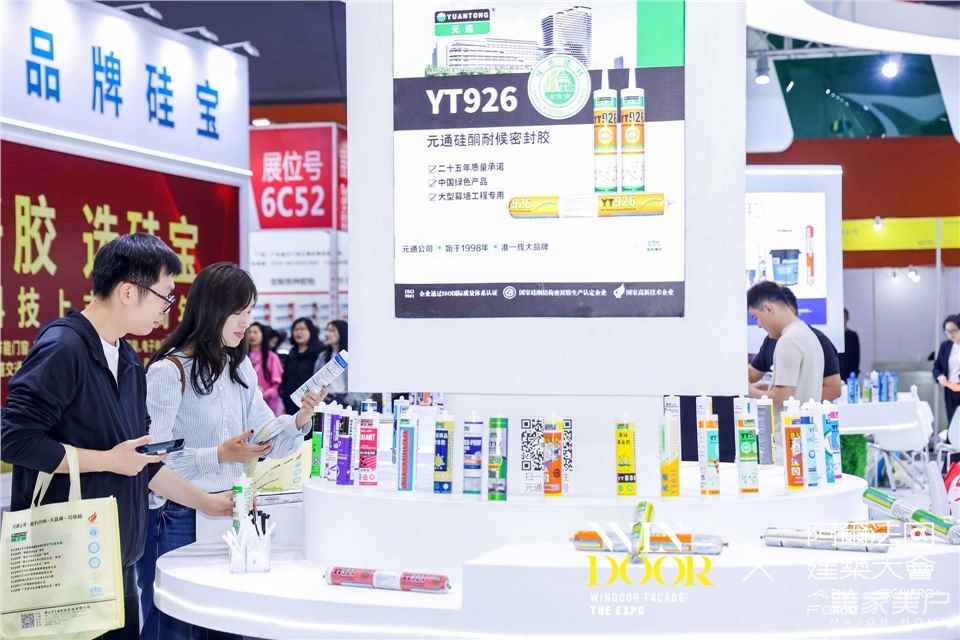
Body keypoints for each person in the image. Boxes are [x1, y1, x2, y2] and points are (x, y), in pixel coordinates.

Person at [1, 235, 233, 640]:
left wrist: (208, 504)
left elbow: (141, 461)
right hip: (63, 563)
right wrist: (107, 460)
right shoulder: (63, 348)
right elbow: (14, 439)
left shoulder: (127, 359)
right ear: (128, 291)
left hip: (113, 560)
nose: (167, 310)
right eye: (164, 296)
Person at [137, 264, 324, 640]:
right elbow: (151, 463)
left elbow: (267, 440)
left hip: (231, 512)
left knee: (225, 620)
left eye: (249, 311)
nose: (245, 322)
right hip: (178, 516)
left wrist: (300, 419)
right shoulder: (169, 371)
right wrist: (219, 455)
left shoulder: (239, 369)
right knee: (175, 626)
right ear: (211, 309)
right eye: (237, 311)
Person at [748, 287, 842, 401]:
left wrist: (751, 391)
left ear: (769, 308)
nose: (758, 325)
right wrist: (769, 389)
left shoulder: (789, 340)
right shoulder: (804, 335)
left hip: (792, 412)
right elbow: (800, 387)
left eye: (756, 317)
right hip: (805, 411)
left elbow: (781, 399)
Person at [280, 317, 322, 414]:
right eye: (296, 329)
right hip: (290, 403)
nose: (299, 332)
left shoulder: (319, 352)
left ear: (311, 331)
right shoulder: (292, 352)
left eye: (302, 329)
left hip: (311, 403)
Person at [247, 321, 284, 415]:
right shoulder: (242, 358)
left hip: (268, 403)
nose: (252, 335)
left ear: (263, 335)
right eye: (249, 332)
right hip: (248, 403)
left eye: (255, 332)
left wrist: (264, 394)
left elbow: (276, 384)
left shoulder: (272, 357)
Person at [934, 314, 960, 429]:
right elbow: (937, 367)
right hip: (950, 391)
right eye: (947, 331)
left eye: (954, 330)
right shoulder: (945, 346)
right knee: (953, 424)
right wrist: (939, 376)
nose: (950, 334)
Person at [315, 320, 349, 405]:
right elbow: (316, 380)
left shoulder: (350, 356)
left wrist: (349, 401)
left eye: (332, 330)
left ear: (342, 332)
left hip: (345, 400)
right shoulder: (322, 356)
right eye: (327, 330)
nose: (327, 334)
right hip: (325, 400)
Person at [838, 308, 861, 382]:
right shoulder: (834, 335)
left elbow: (856, 356)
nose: (842, 319)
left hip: (849, 374)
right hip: (836, 373)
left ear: (847, 318)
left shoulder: (852, 335)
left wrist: (854, 372)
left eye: (844, 317)